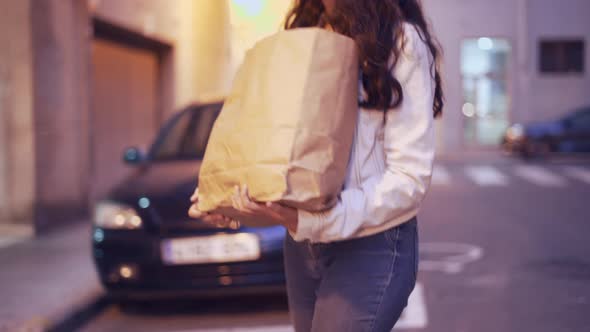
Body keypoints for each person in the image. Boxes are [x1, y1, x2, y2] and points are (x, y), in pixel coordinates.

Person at [189, 0, 443, 330]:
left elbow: (409, 178)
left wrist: (318, 218)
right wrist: (228, 196)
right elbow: (273, 143)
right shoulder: (302, 33)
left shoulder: (400, 41)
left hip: (373, 243)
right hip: (301, 246)